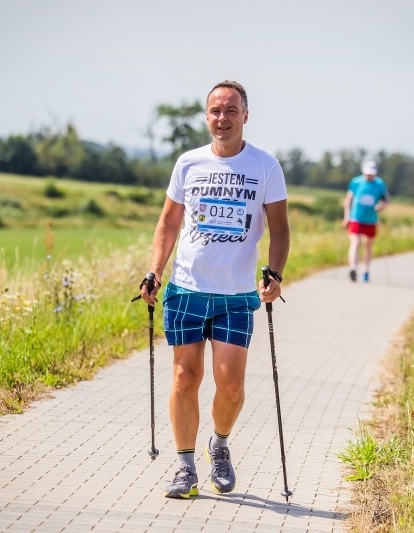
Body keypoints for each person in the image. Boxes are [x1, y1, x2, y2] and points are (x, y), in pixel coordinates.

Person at [140, 80, 290, 499]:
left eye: (230, 111)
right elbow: (168, 223)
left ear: (245, 115)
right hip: (186, 289)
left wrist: (274, 273)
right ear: (207, 116)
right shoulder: (188, 163)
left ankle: (219, 445)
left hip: (237, 295)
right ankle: (185, 468)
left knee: (231, 386)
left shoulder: (265, 167)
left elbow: (279, 230)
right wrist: (154, 271)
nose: (222, 119)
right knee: (185, 377)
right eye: (215, 111)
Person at [343, 160, 390, 282]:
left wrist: (381, 206)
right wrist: (346, 216)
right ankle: (353, 268)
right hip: (356, 218)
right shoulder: (356, 182)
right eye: (368, 173)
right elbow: (348, 200)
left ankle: (366, 271)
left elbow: (386, 200)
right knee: (355, 242)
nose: (370, 176)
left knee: (368, 245)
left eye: (372, 173)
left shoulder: (380, 184)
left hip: (371, 220)